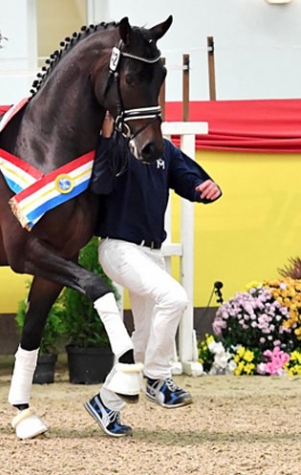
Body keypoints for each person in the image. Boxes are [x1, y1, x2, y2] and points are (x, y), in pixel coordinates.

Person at [85, 113, 222, 437]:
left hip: (150, 253)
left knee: (143, 340)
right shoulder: (115, 145)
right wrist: (105, 139)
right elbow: (100, 184)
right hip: (118, 248)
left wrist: (204, 186)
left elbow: (188, 178)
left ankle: (106, 402)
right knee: (174, 297)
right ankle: (158, 378)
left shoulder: (163, 150)